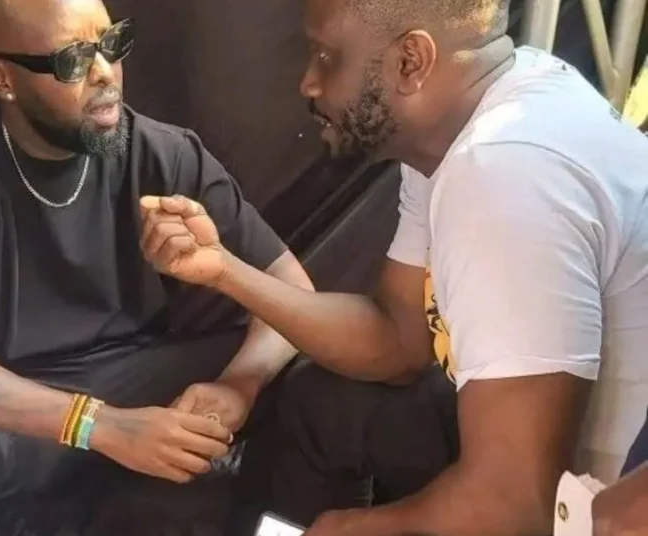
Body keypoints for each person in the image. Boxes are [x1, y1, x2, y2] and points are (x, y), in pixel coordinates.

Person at [139, 0, 648, 534]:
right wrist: (224, 270)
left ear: (411, 61)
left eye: (326, 56)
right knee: (325, 403)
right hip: (538, 470)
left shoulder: (500, 175)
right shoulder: (480, 112)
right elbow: (397, 339)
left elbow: (515, 504)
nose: (308, 82)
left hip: (588, 510)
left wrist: (354, 526)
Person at [0, 0, 313, 534]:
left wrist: (239, 386)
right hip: (15, 411)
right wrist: (97, 425)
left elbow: (291, 293)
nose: (105, 73)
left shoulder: (162, 152)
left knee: (309, 367)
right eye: (73, 59)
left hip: (136, 378)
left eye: (111, 44)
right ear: (1, 78)